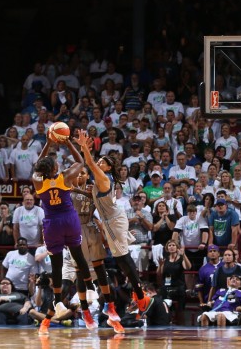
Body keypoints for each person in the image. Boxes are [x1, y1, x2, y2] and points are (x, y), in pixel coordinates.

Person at [75, 129, 151, 319]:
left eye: (103, 162)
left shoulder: (102, 177)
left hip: (113, 220)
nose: (99, 163)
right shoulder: (100, 179)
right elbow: (90, 171)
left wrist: (84, 147)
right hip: (112, 219)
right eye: (99, 161)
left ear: (108, 168)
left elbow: (89, 163)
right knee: (121, 258)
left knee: (123, 258)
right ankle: (139, 293)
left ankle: (141, 297)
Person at [31, 135, 97, 335]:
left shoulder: (37, 182)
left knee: (57, 265)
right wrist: (68, 143)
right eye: (56, 163)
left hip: (52, 224)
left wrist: (48, 144)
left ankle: (58, 301)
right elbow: (80, 161)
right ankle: (90, 286)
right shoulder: (65, 177)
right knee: (78, 256)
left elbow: (36, 167)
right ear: (54, 169)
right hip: (69, 219)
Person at [71, 165, 124, 333]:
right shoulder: (67, 188)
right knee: (80, 271)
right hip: (75, 229)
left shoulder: (94, 189)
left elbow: (103, 201)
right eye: (77, 174)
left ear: (88, 176)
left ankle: (109, 306)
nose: (80, 176)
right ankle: (85, 310)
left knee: (100, 268)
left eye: (83, 173)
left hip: (90, 227)